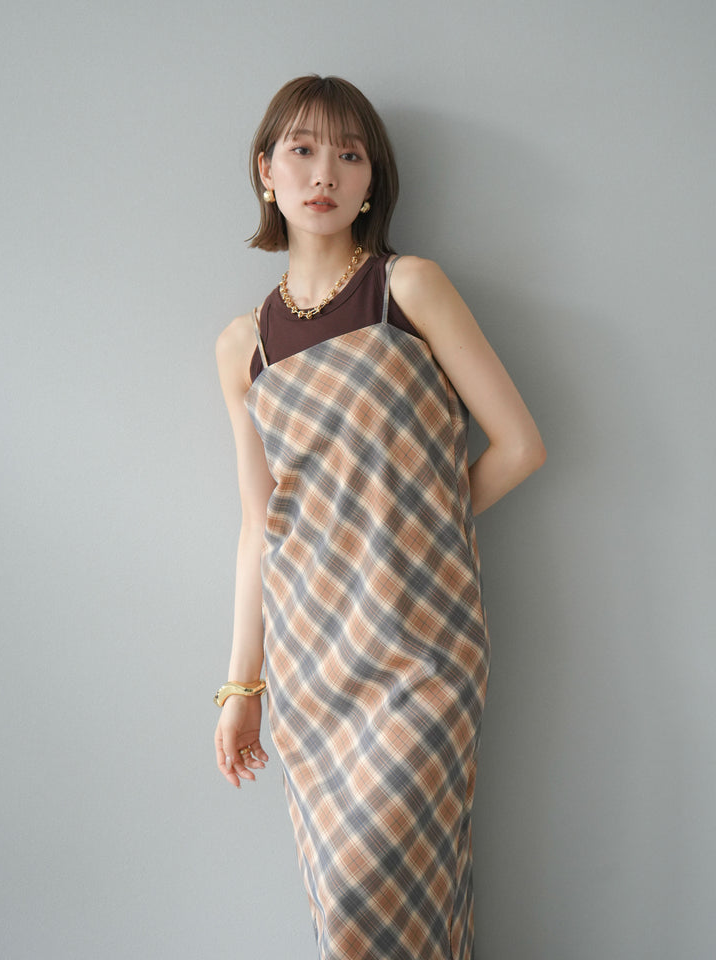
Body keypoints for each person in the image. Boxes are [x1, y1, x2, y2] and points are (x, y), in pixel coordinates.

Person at [213, 75, 546, 959]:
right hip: (311, 660)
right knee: (347, 918)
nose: (325, 172)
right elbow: (257, 527)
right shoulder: (243, 345)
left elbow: (519, 446)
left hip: (420, 649)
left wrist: (407, 526)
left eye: (349, 154)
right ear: (267, 171)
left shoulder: (409, 289)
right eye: (302, 150)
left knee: (375, 900)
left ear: (372, 182)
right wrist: (243, 688)